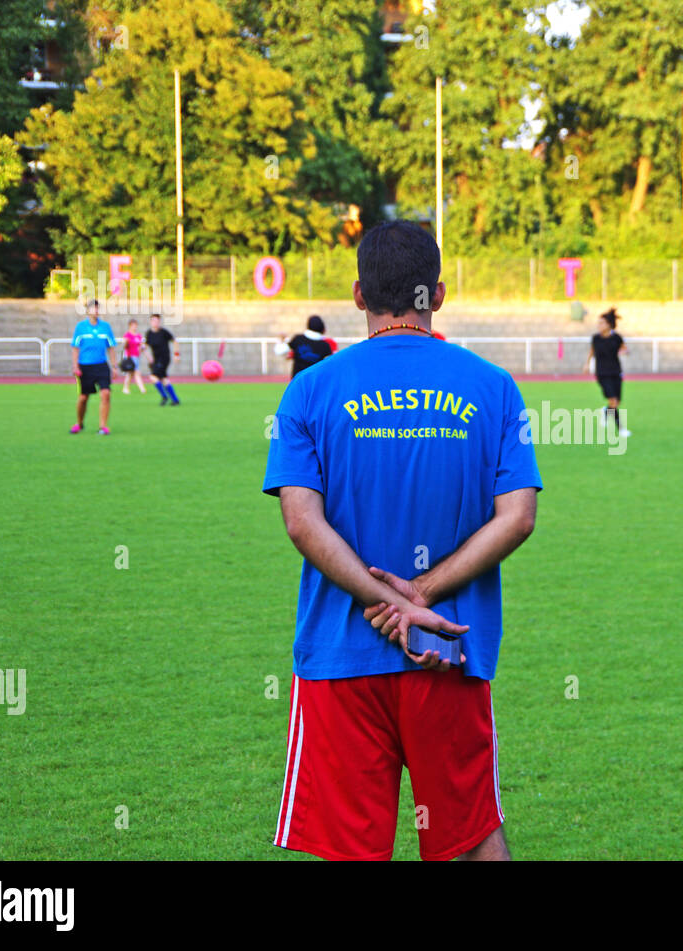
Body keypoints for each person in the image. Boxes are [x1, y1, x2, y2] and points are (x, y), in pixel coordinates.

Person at [263, 220, 542, 862]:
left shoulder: (308, 389)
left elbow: (302, 523)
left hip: (341, 657)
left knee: (349, 850)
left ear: (359, 295)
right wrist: (422, 597)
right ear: (436, 294)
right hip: (448, 648)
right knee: (470, 842)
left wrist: (388, 600)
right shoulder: (493, 387)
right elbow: (518, 517)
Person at [70, 299, 117, 435]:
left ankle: (103, 426)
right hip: (85, 366)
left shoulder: (106, 327)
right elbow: (75, 348)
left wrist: (114, 367)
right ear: (88, 311)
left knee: (106, 394)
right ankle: (79, 423)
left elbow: (111, 347)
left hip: (101, 365)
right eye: (93, 308)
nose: (96, 311)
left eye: (97, 308)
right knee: (84, 398)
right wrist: (75, 366)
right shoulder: (80, 327)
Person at [583, 308, 631, 437]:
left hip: (616, 372)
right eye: (598, 323)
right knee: (613, 401)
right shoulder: (595, 339)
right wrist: (587, 364)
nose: (599, 325)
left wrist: (625, 352)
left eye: (602, 323)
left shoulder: (617, 338)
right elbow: (591, 351)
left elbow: (625, 349)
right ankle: (621, 429)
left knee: (616, 402)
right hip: (602, 373)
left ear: (609, 324)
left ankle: (605, 412)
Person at [144, 314, 181, 406]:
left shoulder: (164, 332)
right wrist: (149, 358)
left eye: (157, 321)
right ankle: (175, 400)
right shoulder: (149, 333)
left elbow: (175, 341)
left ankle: (164, 396)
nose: (155, 322)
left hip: (164, 359)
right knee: (164, 379)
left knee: (153, 377)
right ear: (150, 322)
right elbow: (145, 347)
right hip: (156, 360)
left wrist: (176, 354)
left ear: (159, 322)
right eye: (153, 320)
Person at [120, 319, 146, 395]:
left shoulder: (138, 336)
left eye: (136, 325)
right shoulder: (127, 335)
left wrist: (142, 348)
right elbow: (124, 346)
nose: (135, 327)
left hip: (137, 356)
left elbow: (141, 346)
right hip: (130, 357)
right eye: (133, 325)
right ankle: (142, 389)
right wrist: (126, 342)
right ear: (130, 326)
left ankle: (125, 388)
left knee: (130, 374)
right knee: (136, 372)